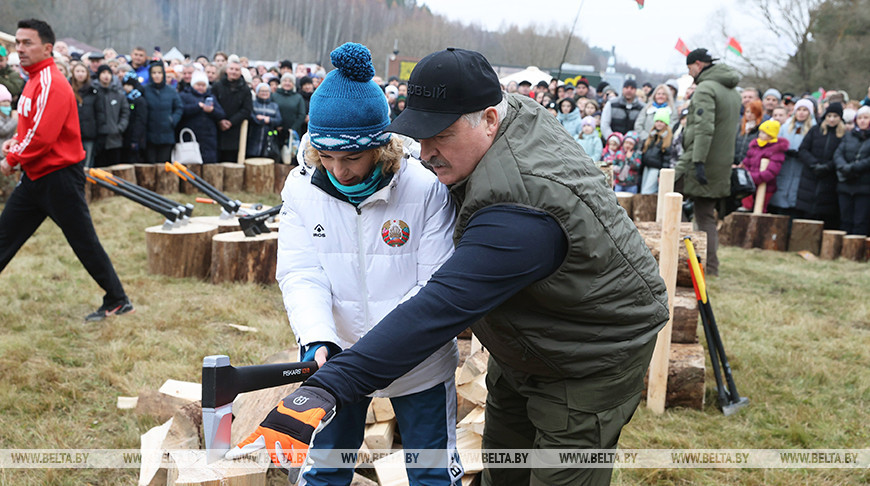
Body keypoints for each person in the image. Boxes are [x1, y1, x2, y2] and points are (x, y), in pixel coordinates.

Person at [230, 47, 669, 486]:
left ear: (489, 120)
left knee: (558, 475)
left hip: (589, 352)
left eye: (440, 135)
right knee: (504, 463)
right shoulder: (496, 118)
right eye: (419, 135)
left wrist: (328, 386)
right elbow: (303, 268)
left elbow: (439, 305)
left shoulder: (520, 214)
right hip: (526, 339)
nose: (426, 152)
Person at [250, 42, 463, 486]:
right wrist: (316, 338)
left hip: (418, 361)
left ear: (381, 147)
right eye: (326, 157)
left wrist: (377, 352)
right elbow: (301, 272)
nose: (339, 171)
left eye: (351, 158)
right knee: (325, 472)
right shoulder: (302, 190)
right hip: (338, 359)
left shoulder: (424, 188)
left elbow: (435, 283)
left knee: (431, 476)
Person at [1, 19, 132, 322]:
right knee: (4, 236)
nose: (20, 49)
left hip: (59, 178)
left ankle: (117, 299)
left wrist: (12, 159)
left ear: (47, 48)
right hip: (36, 177)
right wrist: (15, 144)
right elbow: (30, 128)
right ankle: (117, 298)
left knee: (83, 241)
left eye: (27, 43)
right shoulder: (33, 80)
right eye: (18, 43)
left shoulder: (50, 82)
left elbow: (44, 136)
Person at [675, 48, 741, 277]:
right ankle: (711, 268)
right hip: (721, 163)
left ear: (699, 64)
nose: (689, 72)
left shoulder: (706, 88)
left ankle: (683, 257)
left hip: (699, 159)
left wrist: (698, 161)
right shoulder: (733, 91)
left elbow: (704, 128)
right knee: (705, 215)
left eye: (689, 67)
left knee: (669, 199)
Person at [796, 102, 845, 228]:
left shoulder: (844, 134)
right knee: (807, 213)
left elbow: (843, 154)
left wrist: (828, 167)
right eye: (829, 116)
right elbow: (803, 149)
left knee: (826, 214)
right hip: (810, 176)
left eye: (835, 116)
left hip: (829, 178)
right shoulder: (815, 130)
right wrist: (813, 164)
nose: (832, 119)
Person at [768, 98, 816, 218]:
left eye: (805, 110)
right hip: (786, 166)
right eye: (799, 109)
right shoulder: (785, 126)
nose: (801, 113)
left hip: (802, 168)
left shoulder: (814, 128)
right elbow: (776, 144)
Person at [833, 105, 870, 235]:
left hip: (864, 186)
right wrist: (844, 167)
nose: (863, 121)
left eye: (866, 118)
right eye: (860, 118)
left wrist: (853, 167)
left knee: (860, 221)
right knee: (845, 219)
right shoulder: (849, 136)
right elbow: (838, 154)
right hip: (845, 184)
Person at [739, 120, 788, 212]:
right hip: (750, 183)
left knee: (760, 208)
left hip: (766, 186)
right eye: (760, 132)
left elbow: (771, 172)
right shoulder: (755, 146)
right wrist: (744, 171)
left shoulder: (776, 150)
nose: (760, 134)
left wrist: (752, 177)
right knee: (746, 203)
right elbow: (747, 162)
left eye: (764, 133)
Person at [178, 70, 225, 164]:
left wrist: (211, 111)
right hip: (190, 136)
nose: (200, 87)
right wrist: (197, 107)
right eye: (198, 85)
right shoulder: (184, 96)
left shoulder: (211, 97)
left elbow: (221, 114)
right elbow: (181, 111)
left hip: (208, 138)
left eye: (203, 85)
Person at [142, 61, 182, 164]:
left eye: (159, 73)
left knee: (164, 166)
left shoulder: (171, 91)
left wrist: (172, 120)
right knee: (150, 165)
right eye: (154, 73)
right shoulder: (145, 90)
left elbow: (179, 108)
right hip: (149, 134)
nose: (157, 75)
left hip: (166, 134)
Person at [213, 60, 253, 162]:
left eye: (237, 69)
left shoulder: (245, 89)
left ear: (240, 72)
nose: (234, 72)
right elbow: (213, 104)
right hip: (217, 128)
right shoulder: (217, 86)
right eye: (231, 69)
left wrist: (231, 122)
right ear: (227, 70)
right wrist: (220, 119)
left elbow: (247, 110)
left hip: (235, 130)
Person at [92, 64, 129, 167]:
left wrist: (120, 127)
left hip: (114, 138)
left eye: (108, 73)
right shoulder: (92, 91)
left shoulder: (118, 93)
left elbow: (125, 112)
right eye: (103, 73)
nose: (106, 76)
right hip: (97, 138)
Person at [639, 108, 674, 194]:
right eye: (657, 121)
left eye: (661, 122)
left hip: (656, 169)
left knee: (647, 191)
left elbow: (666, 158)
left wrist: (661, 174)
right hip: (647, 166)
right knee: (643, 189)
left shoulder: (667, 138)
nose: (659, 123)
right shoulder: (651, 135)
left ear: (666, 123)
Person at [271, 72, 306, 152]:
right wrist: (277, 125)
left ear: (293, 84)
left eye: (290, 81)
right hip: (276, 131)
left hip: (292, 132)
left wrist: (293, 129)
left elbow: (301, 115)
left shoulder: (298, 97)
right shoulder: (274, 95)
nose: (287, 83)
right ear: (281, 82)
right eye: (285, 81)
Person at [245, 83, 281, 160]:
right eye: (262, 91)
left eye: (266, 91)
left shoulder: (274, 106)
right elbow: (251, 116)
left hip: (268, 140)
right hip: (253, 137)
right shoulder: (253, 104)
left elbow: (279, 120)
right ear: (257, 93)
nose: (264, 93)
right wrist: (263, 121)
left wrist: (269, 120)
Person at [121, 71, 148, 165]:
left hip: (136, 138)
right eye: (125, 84)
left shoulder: (139, 100)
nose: (126, 87)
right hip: (125, 137)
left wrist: (135, 139)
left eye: (129, 85)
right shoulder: (124, 98)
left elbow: (140, 120)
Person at [734, 99, 763, 166]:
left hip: (749, 165)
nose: (749, 115)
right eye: (747, 112)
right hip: (734, 163)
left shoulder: (760, 128)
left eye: (752, 112)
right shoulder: (739, 126)